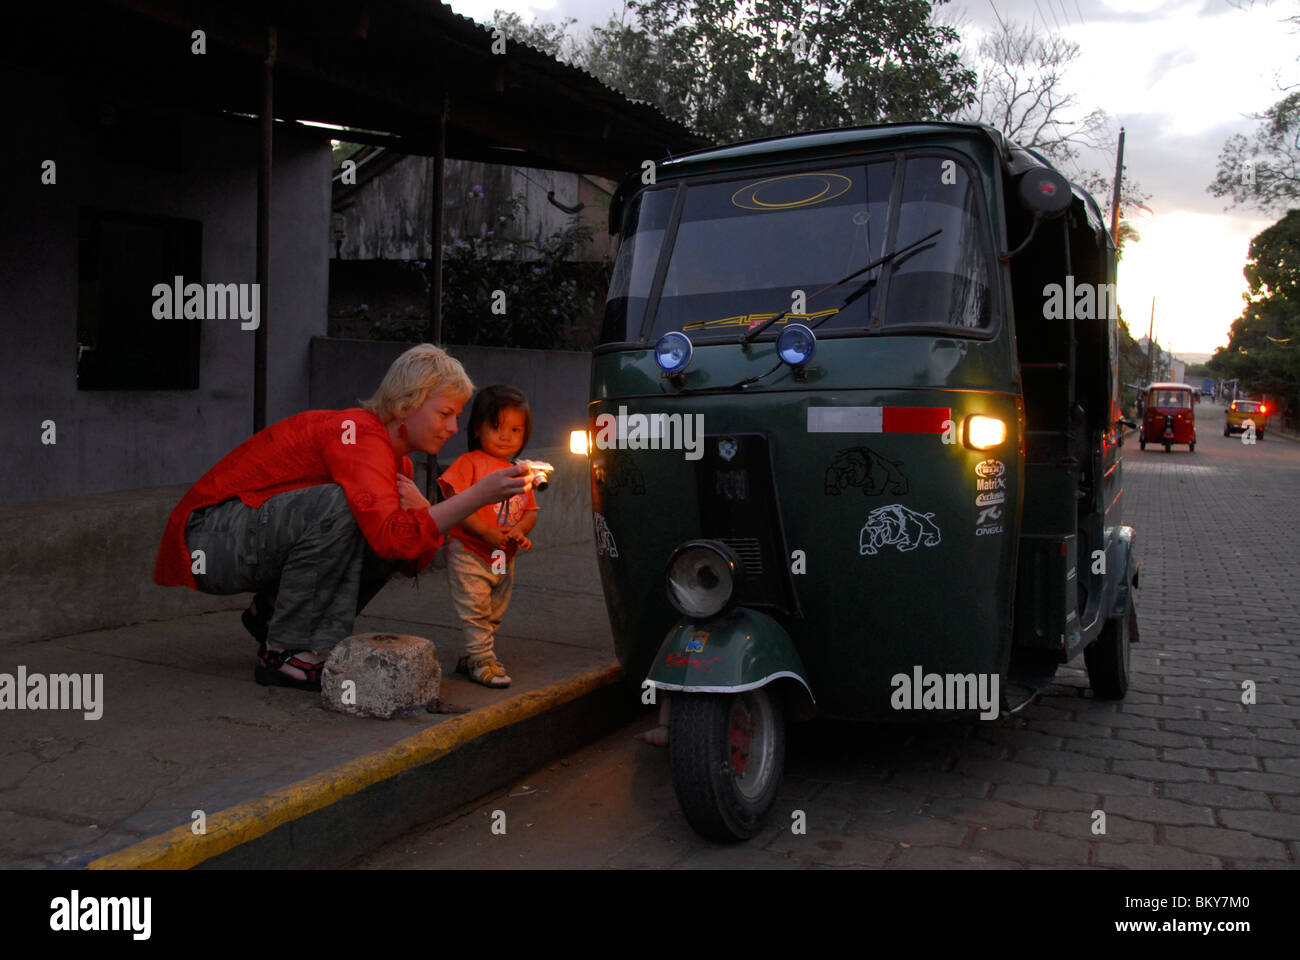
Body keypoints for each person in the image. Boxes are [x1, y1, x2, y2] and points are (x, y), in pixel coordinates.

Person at [152, 344, 530, 691]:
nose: (452, 428)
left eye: (457, 416)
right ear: (407, 404)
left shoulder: (396, 462)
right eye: (445, 413)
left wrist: (422, 511)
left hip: (245, 537)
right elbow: (390, 536)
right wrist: (476, 496)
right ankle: (284, 652)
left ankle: (278, 619)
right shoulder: (358, 435)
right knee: (343, 506)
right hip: (207, 539)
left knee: (376, 520)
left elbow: (409, 558)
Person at [431, 385, 539, 687]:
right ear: (478, 428)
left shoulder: (520, 472)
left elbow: (530, 511)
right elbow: (456, 506)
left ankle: (476, 655)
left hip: (502, 557)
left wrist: (519, 531)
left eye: (515, 429)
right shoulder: (469, 464)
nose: (506, 436)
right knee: (475, 608)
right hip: (469, 550)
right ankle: (482, 659)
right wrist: (487, 532)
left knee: (493, 610)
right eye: (496, 427)